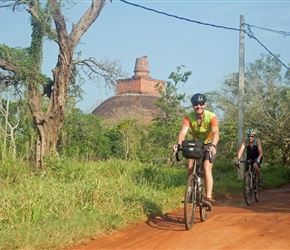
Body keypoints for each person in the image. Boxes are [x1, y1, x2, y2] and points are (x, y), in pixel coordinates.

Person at [174, 93, 219, 210]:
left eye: (201, 104)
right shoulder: (188, 117)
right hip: (196, 144)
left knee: (206, 168)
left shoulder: (212, 117)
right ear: (192, 106)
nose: (198, 106)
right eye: (195, 104)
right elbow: (183, 132)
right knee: (190, 167)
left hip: (209, 144)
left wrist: (213, 145)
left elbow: (216, 133)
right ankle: (191, 191)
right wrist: (179, 145)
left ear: (205, 104)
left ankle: (208, 198)